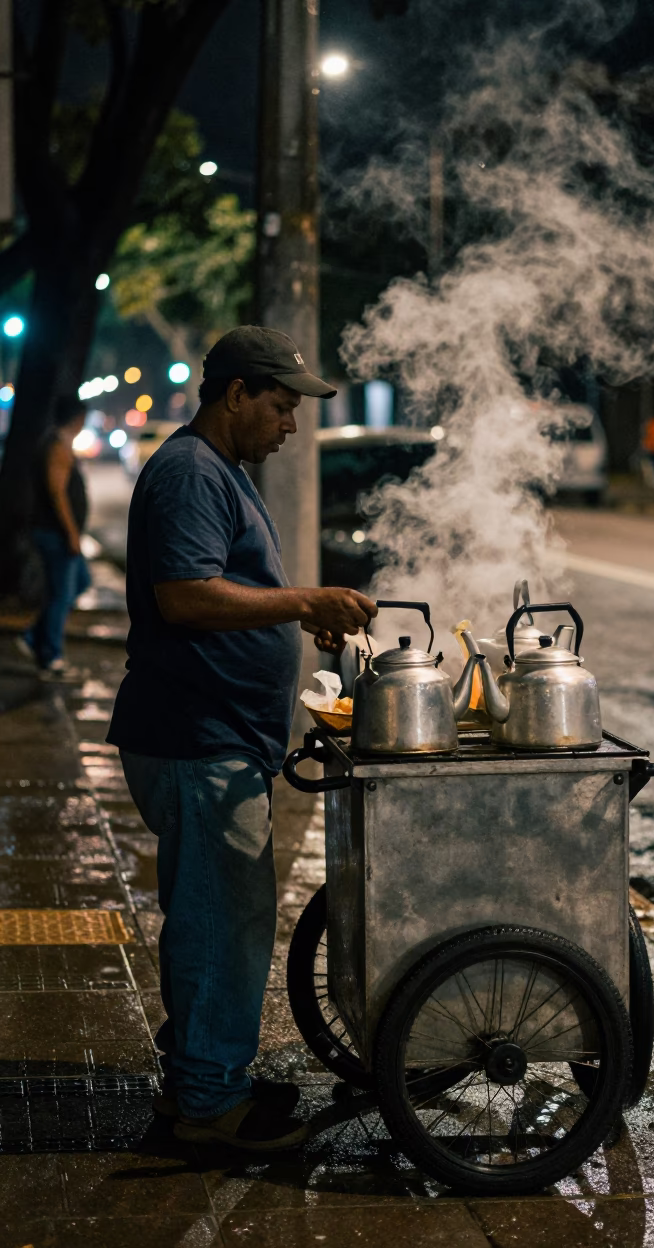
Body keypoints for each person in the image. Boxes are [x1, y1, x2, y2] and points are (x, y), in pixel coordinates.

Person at [106, 326, 377, 1151]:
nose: (292, 425)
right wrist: (303, 604)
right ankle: (206, 1108)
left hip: (216, 735)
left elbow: (228, 588)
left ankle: (200, 1073)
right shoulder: (190, 472)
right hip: (197, 738)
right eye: (282, 405)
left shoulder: (216, 469)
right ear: (236, 395)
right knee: (221, 922)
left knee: (216, 916)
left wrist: (299, 616)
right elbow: (186, 596)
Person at [19, 396, 92, 679]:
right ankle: (50, 655)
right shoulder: (58, 447)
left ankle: (33, 637)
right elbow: (57, 493)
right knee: (61, 593)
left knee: (76, 584)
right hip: (55, 534)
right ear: (77, 418)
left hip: (54, 533)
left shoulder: (57, 443)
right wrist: (72, 534)